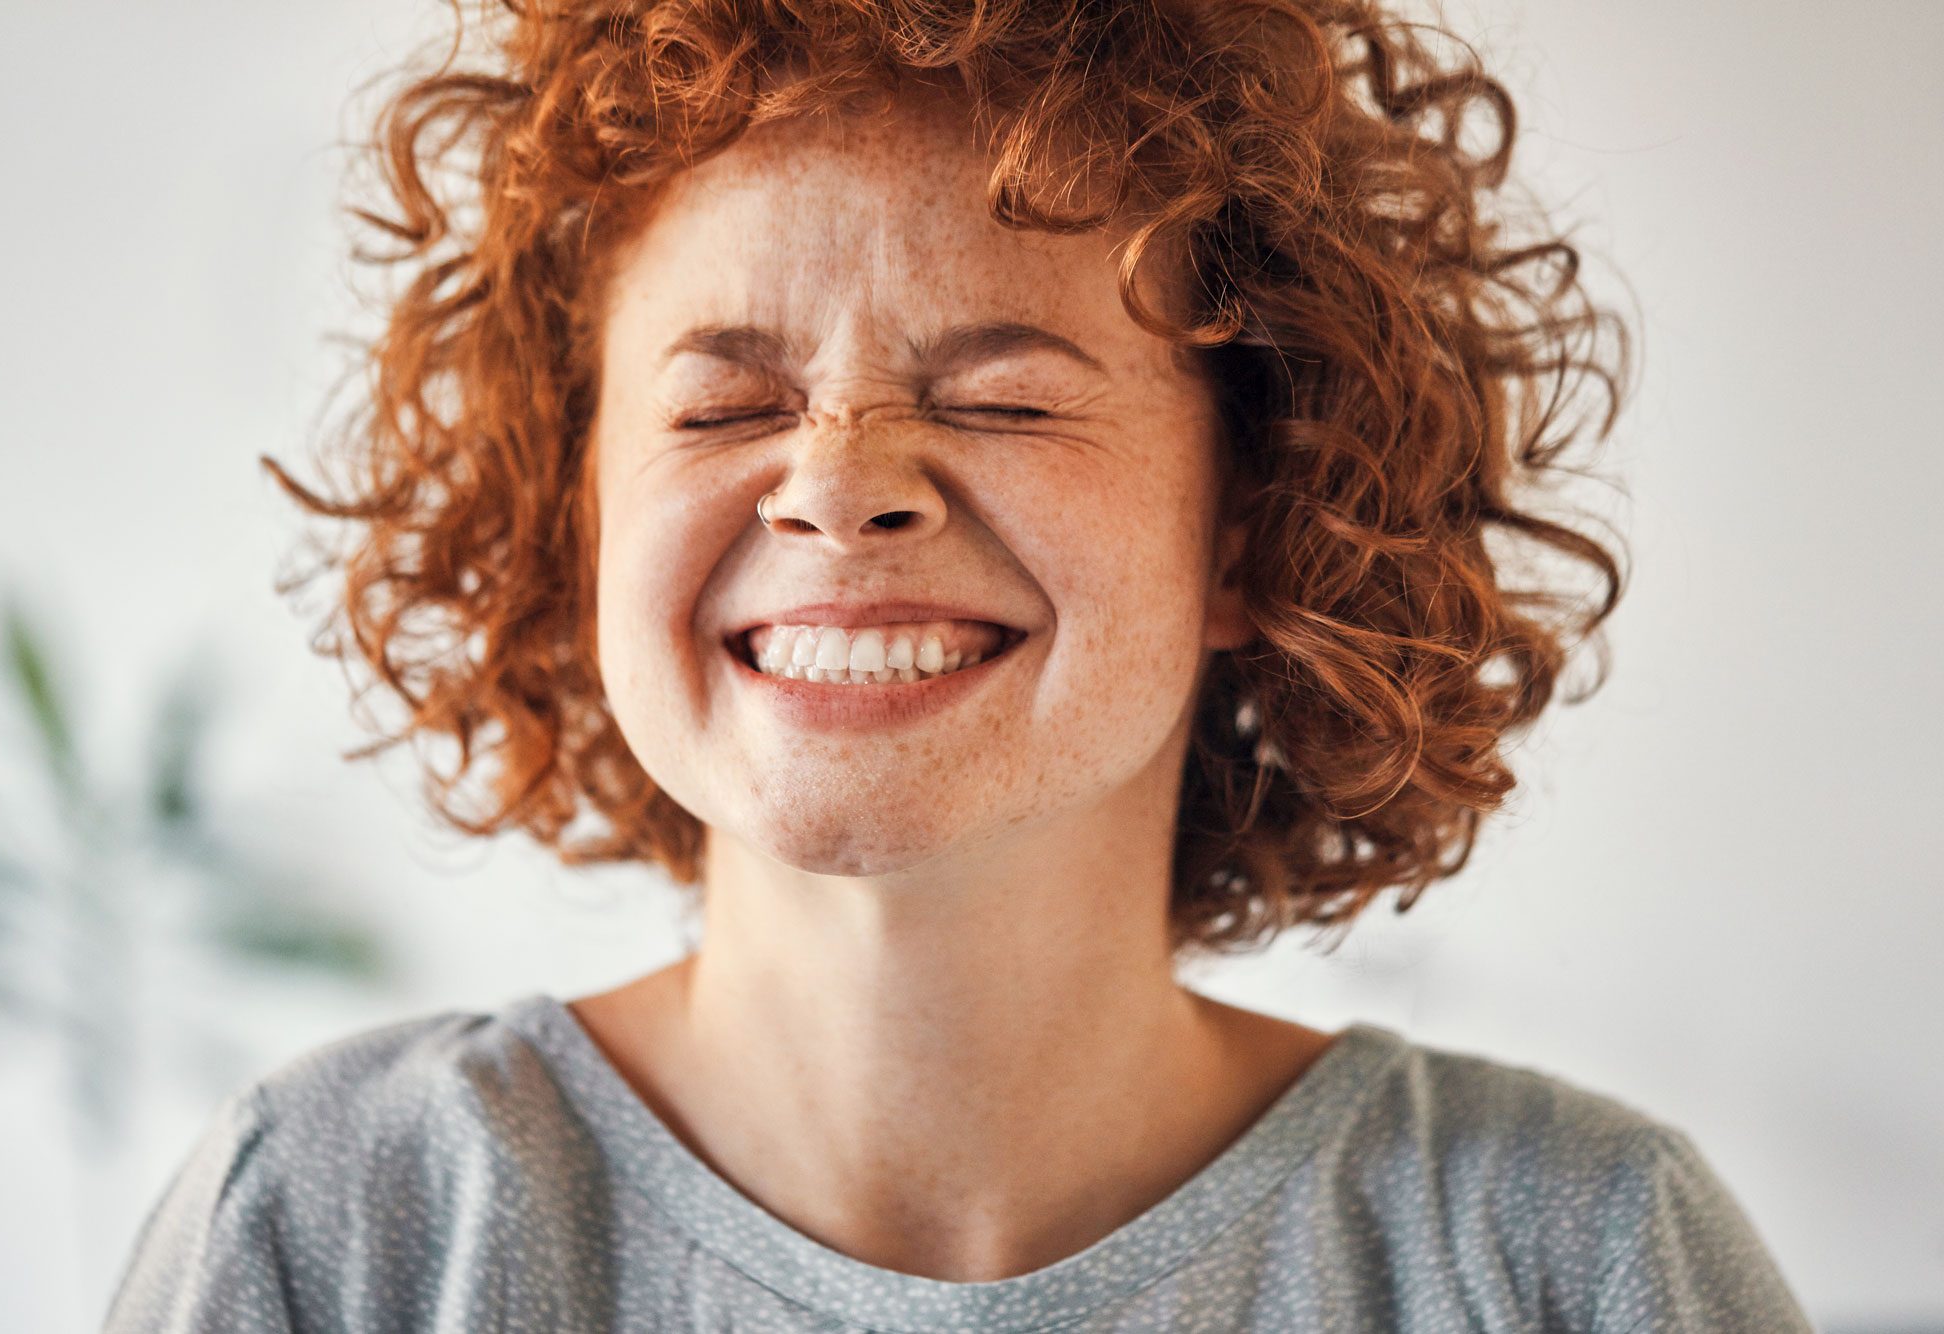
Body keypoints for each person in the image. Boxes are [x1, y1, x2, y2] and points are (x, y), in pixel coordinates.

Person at [105, 0, 1818, 1328]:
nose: (839, 482)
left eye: (1005, 398)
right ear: (583, 516)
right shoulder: (333, 1229)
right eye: (724, 404)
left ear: (1253, 527)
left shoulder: (1579, 1256)